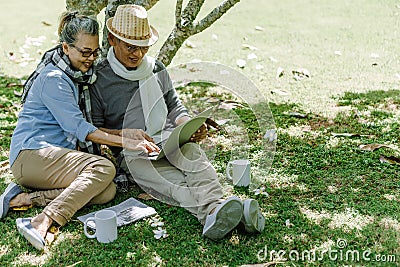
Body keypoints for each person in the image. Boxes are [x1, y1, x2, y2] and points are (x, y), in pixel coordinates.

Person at [88, 4, 266, 241]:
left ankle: (214, 211)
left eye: (143, 47)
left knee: (197, 161)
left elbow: (174, 106)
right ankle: (232, 215)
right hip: (134, 155)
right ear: (112, 39)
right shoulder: (99, 79)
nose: (138, 54)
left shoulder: (156, 68)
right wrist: (129, 138)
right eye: (131, 47)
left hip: (169, 139)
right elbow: (96, 130)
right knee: (174, 184)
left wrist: (188, 126)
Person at [0, 11, 158, 251]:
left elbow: (80, 124)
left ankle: (22, 200)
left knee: (107, 191)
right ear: (65, 47)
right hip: (30, 155)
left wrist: (126, 133)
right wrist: (125, 141)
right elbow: (79, 128)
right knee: (103, 168)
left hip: (50, 157)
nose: (91, 59)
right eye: (85, 52)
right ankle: (44, 220)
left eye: (95, 52)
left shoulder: (76, 77)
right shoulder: (53, 78)